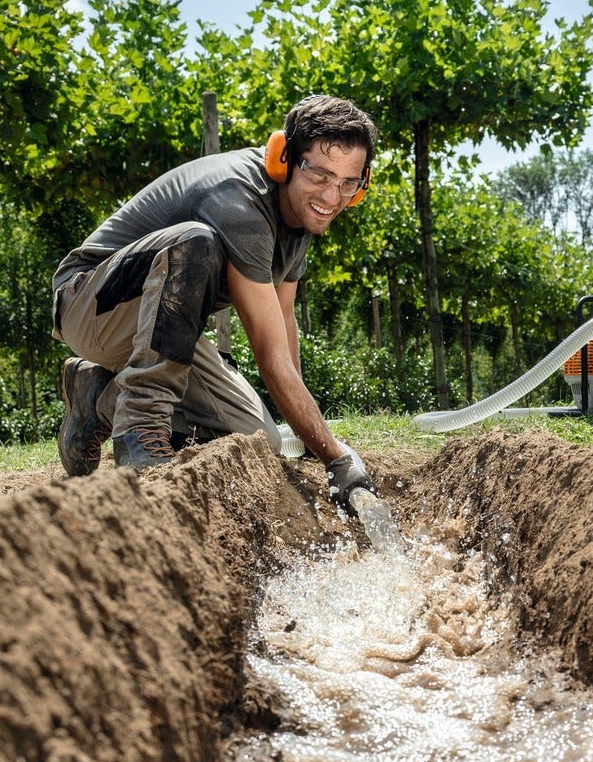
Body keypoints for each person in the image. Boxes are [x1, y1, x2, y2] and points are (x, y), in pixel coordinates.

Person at [52, 93, 377, 505]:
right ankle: (139, 426)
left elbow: (284, 325)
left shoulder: (301, 220)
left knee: (258, 435)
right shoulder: (240, 200)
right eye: (320, 175)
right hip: (89, 303)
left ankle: (99, 398)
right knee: (195, 242)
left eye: (349, 183)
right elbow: (269, 357)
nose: (333, 198)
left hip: (156, 331)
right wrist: (337, 458)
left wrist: (312, 437)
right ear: (284, 159)